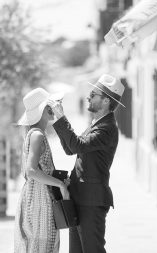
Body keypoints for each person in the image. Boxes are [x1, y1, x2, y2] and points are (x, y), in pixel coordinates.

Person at [48, 74, 125, 253]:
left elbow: (76, 145)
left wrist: (61, 117)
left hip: (91, 200)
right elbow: (70, 149)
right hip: (80, 197)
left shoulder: (107, 128)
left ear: (106, 101)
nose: (88, 97)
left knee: (93, 250)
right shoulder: (96, 124)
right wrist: (58, 121)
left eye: (93, 94)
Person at [14, 87, 70, 253]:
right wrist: (60, 184)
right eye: (50, 106)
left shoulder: (35, 133)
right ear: (44, 110)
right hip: (39, 199)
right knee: (43, 246)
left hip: (37, 196)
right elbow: (31, 170)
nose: (53, 108)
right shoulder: (37, 135)